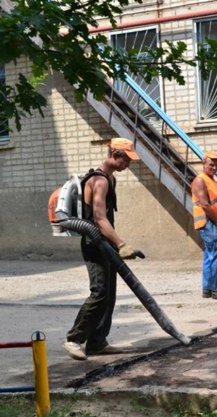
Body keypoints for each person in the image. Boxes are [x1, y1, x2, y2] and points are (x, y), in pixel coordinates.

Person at [62, 138, 143, 361]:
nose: (129, 164)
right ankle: (74, 339)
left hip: (105, 244)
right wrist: (121, 244)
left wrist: (116, 245)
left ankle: (97, 342)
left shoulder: (110, 179)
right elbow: (99, 218)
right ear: (116, 155)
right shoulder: (100, 181)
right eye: (127, 159)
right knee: (99, 292)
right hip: (94, 243)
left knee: (110, 295)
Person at [191, 151, 217, 300]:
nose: (214, 167)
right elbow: (205, 204)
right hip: (208, 223)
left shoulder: (210, 180)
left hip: (211, 222)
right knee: (216, 254)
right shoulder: (200, 180)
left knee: (210, 255)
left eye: (216, 165)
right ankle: (216, 290)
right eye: (211, 164)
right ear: (203, 164)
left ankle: (207, 290)